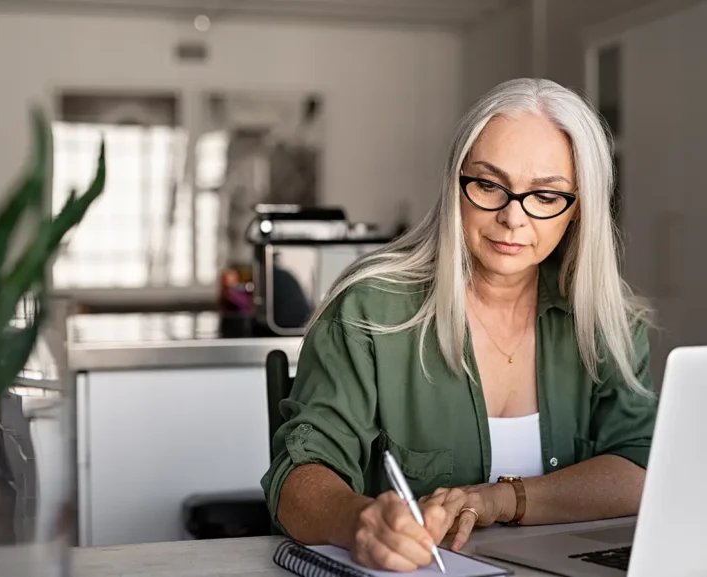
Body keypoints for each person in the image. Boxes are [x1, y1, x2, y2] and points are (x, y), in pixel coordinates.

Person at [260, 78, 658, 571]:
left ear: (578, 210)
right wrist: (358, 520)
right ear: (456, 185)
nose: (513, 218)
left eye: (546, 195)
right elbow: (298, 476)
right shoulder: (368, 309)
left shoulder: (606, 319)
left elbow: (641, 468)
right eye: (490, 185)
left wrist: (498, 499)